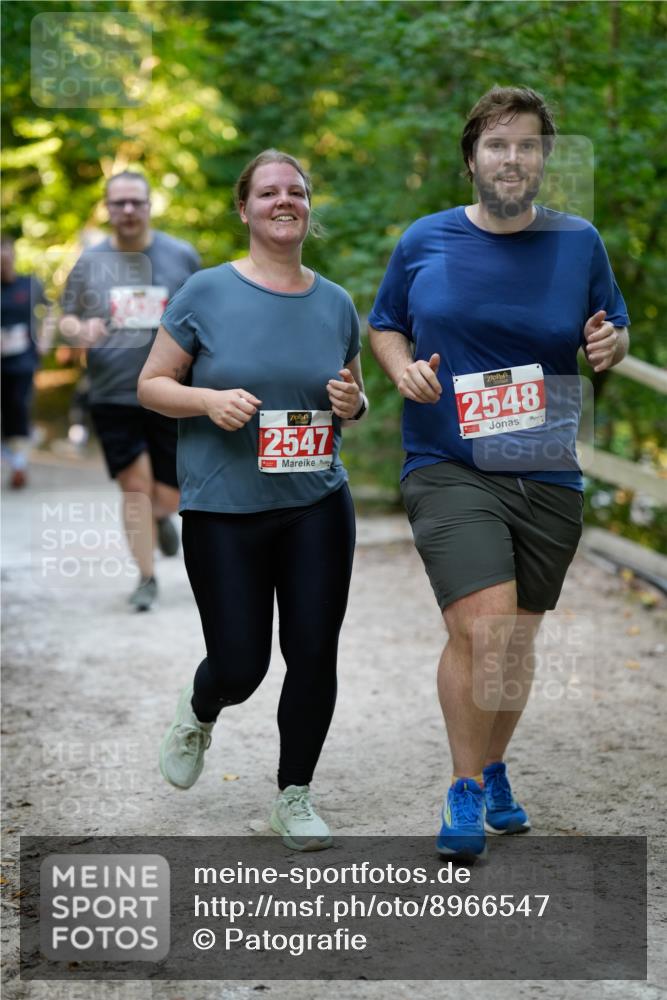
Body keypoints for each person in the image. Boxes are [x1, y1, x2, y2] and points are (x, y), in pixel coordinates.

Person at [369, 86, 629, 861]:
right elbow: (384, 323)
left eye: (525, 144)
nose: (510, 158)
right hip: (448, 462)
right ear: (470, 158)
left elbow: (606, 328)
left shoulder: (578, 242)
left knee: (514, 642)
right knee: (480, 628)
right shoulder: (425, 239)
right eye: (495, 144)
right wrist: (401, 368)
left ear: (543, 158)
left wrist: (609, 345)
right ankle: (462, 788)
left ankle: (491, 764)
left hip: (544, 466)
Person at [138, 150, 366, 851]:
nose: (282, 201)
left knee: (312, 653)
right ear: (244, 209)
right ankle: (200, 707)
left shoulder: (334, 302)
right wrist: (205, 399)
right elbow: (152, 385)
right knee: (241, 664)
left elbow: (350, 395)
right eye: (267, 192)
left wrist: (351, 403)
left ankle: (293, 794)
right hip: (223, 506)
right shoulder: (205, 292)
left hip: (315, 501)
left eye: (295, 191)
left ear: (307, 208)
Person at [59, 172, 200, 610]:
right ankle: (146, 577)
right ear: (107, 208)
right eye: (118, 203)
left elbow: (206, 316)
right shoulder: (88, 261)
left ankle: (162, 518)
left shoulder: (181, 256)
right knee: (133, 486)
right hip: (112, 392)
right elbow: (63, 320)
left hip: (172, 392)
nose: (127, 210)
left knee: (170, 493)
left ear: (149, 205)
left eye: (135, 202)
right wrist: (79, 328)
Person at [1, 234, 49, 488]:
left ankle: (18, 464)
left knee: (17, 407)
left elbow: (50, 310)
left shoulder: (30, 284)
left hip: (22, 360)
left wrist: (45, 339)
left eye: (6, 259)